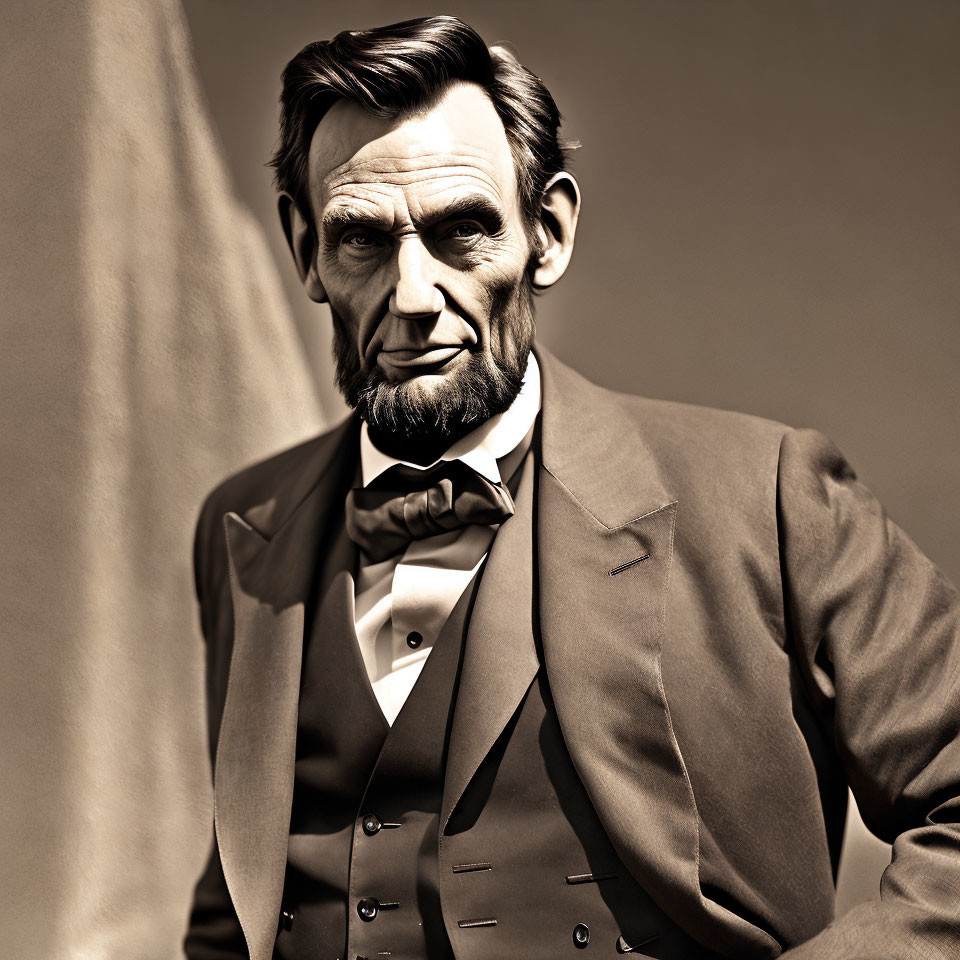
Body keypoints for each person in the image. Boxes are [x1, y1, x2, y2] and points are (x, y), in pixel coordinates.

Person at [184, 15, 960, 960]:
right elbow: (240, 898)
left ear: (546, 233)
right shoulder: (243, 527)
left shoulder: (774, 500)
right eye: (362, 240)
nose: (414, 293)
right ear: (305, 251)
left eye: (461, 230)